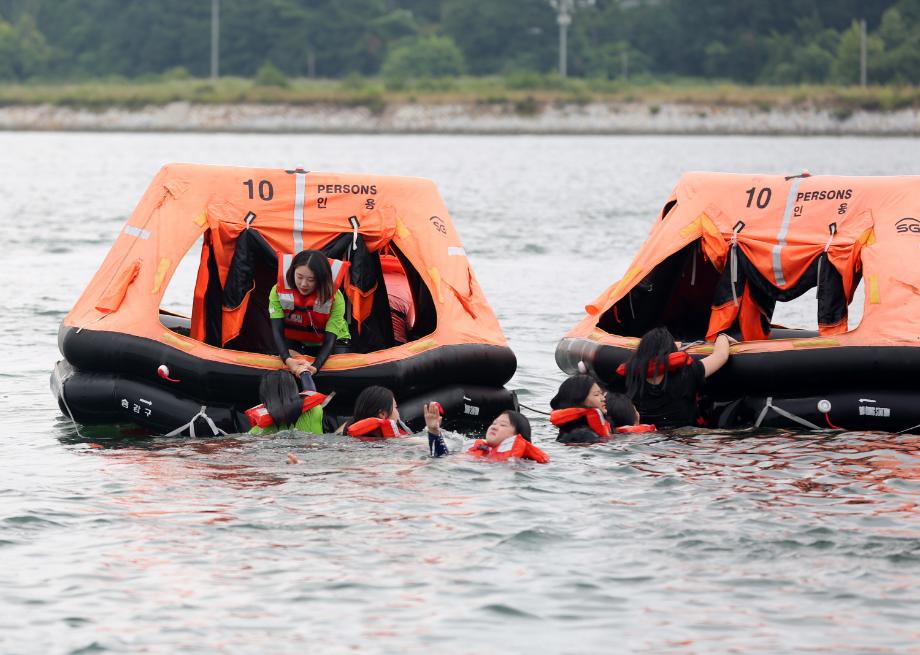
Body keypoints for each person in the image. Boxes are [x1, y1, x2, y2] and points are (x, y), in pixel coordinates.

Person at [270, 249, 350, 391]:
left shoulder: (336, 298)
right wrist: (288, 360)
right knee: (282, 369)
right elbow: (276, 330)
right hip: (297, 340)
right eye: (299, 276)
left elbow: (330, 339)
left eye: (311, 279)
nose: (303, 284)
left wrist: (315, 367)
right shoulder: (277, 291)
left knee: (339, 376)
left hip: (333, 341)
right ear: (292, 272)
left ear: (320, 279)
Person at [621, 326, 731, 428]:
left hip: (651, 439)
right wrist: (722, 336)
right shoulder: (687, 372)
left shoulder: (632, 378)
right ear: (671, 352)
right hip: (686, 438)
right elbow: (721, 355)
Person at [424, 405, 548, 463]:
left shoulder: (519, 462)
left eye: (503, 425)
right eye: (494, 423)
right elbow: (441, 458)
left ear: (516, 436)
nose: (495, 426)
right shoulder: (477, 448)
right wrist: (434, 431)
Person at [246, 370, 325, 435]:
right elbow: (311, 392)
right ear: (294, 389)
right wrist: (304, 373)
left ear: (264, 394)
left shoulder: (258, 431)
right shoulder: (315, 410)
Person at [549, 374, 611, 444]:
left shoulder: (570, 429)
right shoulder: (583, 434)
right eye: (596, 395)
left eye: (601, 394)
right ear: (579, 401)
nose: (603, 399)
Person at [342, 385, 411, 439]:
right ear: (382, 414)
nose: (397, 411)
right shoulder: (399, 441)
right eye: (395, 407)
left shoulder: (352, 437)